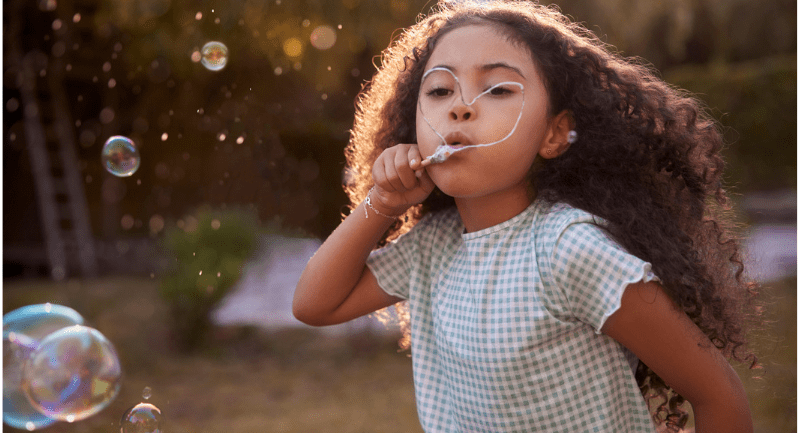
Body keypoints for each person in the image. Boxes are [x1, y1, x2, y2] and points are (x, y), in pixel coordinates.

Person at [293, 1, 759, 431]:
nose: (459, 107)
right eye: (438, 89)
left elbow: (718, 395)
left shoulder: (568, 250)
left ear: (554, 135)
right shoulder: (431, 247)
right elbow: (316, 304)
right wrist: (383, 204)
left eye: (496, 89)